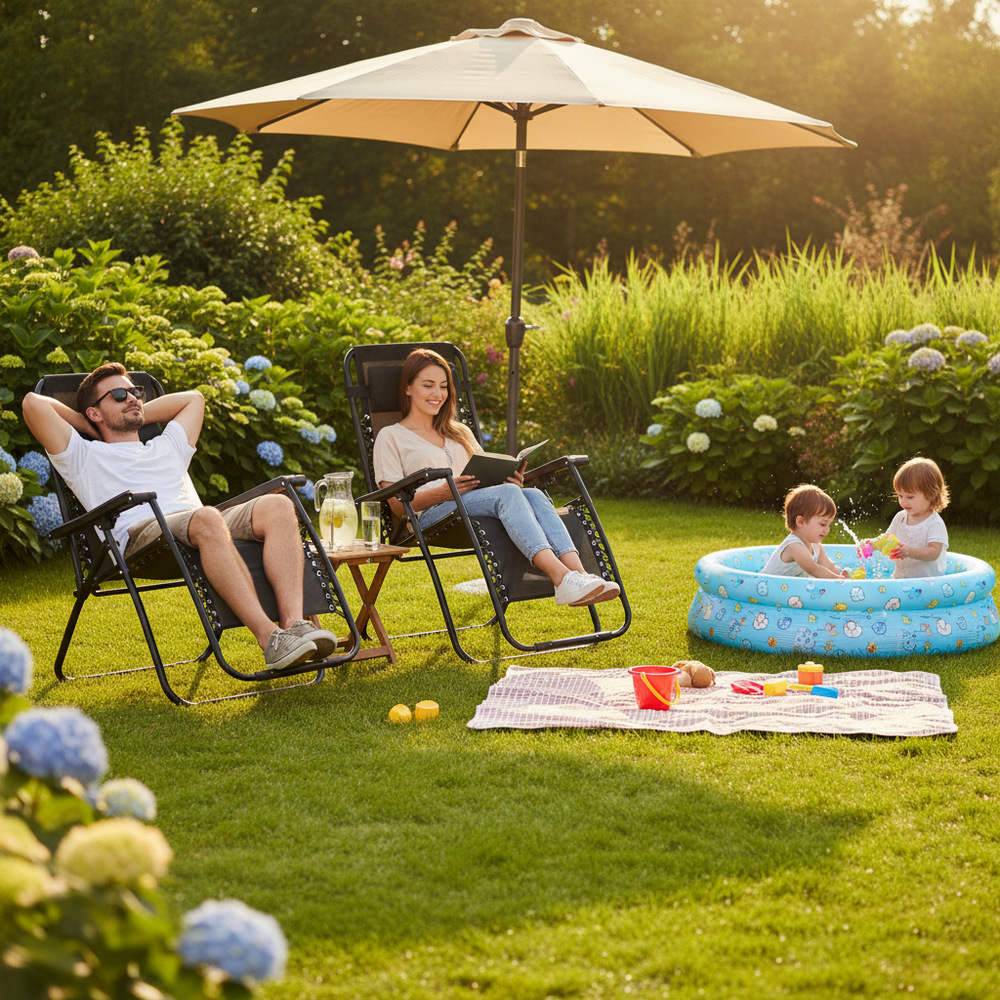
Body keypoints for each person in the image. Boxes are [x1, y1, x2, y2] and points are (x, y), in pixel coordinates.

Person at [21, 362, 336, 671]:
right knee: (207, 518)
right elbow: (32, 403)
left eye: (136, 392)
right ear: (94, 412)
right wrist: (88, 425)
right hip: (141, 540)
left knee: (278, 506)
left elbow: (194, 399)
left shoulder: (166, 445)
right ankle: (270, 639)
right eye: (118, 395)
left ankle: (294, 625)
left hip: (199, 525)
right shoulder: (82, 455)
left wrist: (132, 410)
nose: (132, 398)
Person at [372, 348, 619, 606]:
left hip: (474, 508)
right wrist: (445, 492)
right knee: (510, 495)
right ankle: (561, 578)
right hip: (431, 517)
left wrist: (509, 481)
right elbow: (397, 506)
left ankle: (579, 576)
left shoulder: (460, 432)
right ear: (409, 388)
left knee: (531, 493)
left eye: (444, 386)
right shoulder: (391, 436)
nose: (438, 394)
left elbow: (485, 481)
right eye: (428, 385)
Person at [873, 457, 950, 578]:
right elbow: (887, 538)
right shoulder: (900, 517)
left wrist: (909, 551)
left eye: (910, 497)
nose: (904, 502)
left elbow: (934, 552)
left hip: (927, 584)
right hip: (900, 579)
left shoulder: (934, 523)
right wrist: (873, 543)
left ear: (930, 495)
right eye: (900, 495)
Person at [762, 484, 850, 580]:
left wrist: (841, 575)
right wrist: (839, 580)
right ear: (800, 522)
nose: (827, 530)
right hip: (767, 588)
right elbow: (813, 569)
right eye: (823, 524)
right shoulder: (794, 546)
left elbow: (829, 566)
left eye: (829, 524)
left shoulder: (816, 545)